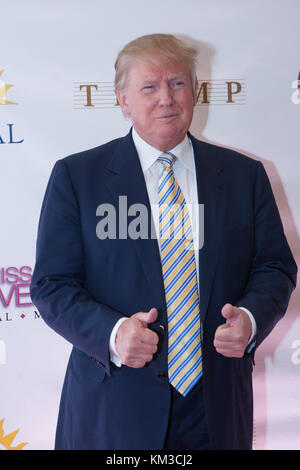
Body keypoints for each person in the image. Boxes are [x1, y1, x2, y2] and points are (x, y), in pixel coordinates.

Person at [30, 34, 297, 450]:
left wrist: (249, 318)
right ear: (123, 100)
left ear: (195, 92)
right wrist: (114, 333)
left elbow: (275, 268)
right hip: (114, 404)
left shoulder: (246, 176)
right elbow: (51, 285)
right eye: (149, 87)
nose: (166, 99)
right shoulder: (77, 178)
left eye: (177, 84)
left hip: (217, 408)